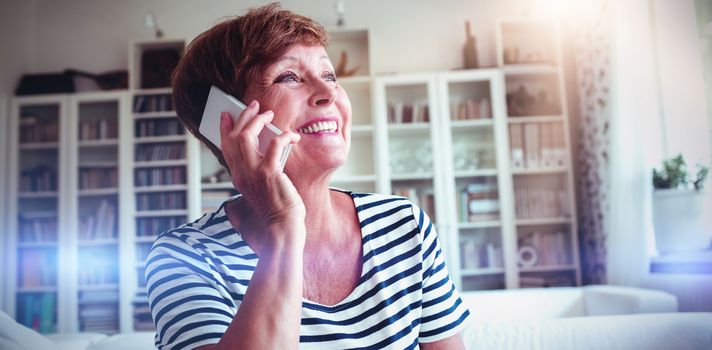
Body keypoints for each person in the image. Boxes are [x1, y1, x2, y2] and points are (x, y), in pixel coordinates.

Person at [145, 3, 471, 349]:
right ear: (226, 120)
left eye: (329, 76)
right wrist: (283, 225)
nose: (329, 92)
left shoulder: (405, 226)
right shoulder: (183, 257)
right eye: (289, 77)